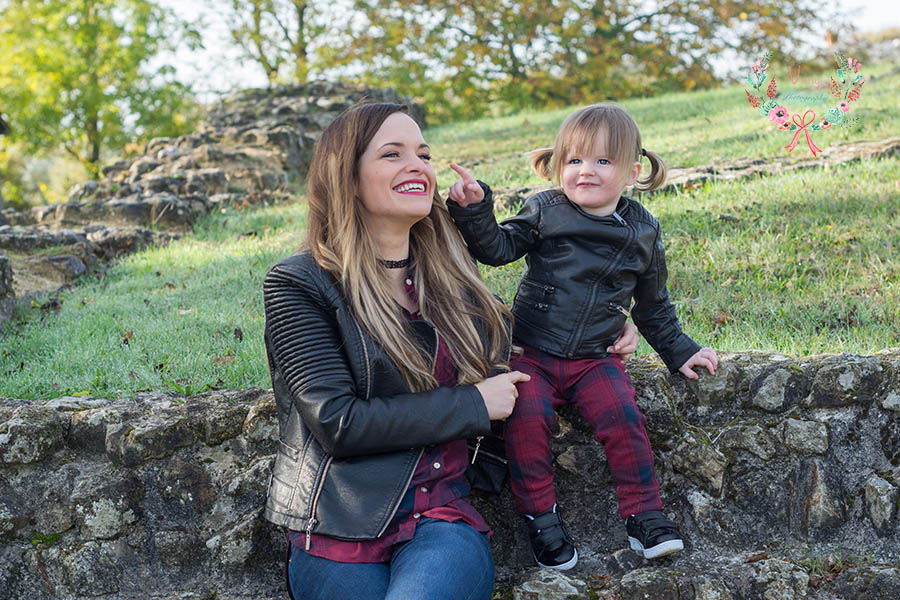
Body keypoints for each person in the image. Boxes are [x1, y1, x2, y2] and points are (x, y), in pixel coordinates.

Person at [261, 102, 639, 599]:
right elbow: (337, 422)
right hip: (336, 529)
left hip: (441, 521)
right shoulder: (299, 283)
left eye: (423, 153)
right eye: (392, 154)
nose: (417, 165)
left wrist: (607, 325)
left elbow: (520, 338)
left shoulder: (450, 275)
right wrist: (473, 405)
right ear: (346, 178)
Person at [446, 102, 718, 570]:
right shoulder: (546, 210)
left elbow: (653, 306)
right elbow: (498, 249)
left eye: (602, 161)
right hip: (531, 353)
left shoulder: (644, 231)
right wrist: (475, 210)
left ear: (632, 171)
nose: (585, 171)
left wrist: (682, 351)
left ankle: (645, 516)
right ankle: (541, 519)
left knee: (624, 420)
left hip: (597, 357)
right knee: (526, 424)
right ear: (558, 167)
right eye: (573, 160)